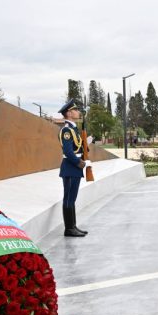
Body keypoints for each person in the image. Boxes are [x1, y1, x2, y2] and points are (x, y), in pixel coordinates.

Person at [58, 99, 91, 238]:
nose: (78, 112)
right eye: (75, 110)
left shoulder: (73, 129)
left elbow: (77, 147)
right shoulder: (66, 130)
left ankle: (73, 226)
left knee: (72, 198)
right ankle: (69, 229)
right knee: (68, 199)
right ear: (69, 113)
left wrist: (86, 146)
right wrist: (78, 162)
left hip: (75, 168)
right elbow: (67, 151)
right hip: (70, 167)